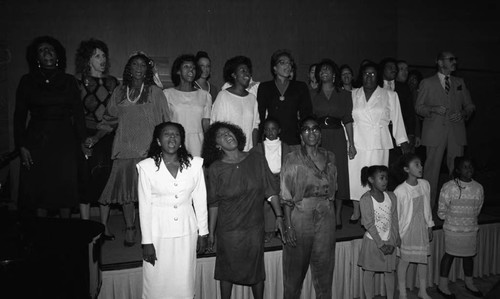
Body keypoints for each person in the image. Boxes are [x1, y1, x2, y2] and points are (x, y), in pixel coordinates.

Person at [90, 52, 170, 246]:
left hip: (148, 151)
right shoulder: (119, 92)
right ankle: (130, 228)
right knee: (128, 195)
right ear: (129, 69)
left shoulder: (156, 93)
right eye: (135, 65)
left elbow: (165, 122)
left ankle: (150, 231)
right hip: (124, 149)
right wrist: (95, 137)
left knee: (150, 195)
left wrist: (165, 148)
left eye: (143, 65)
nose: (139, 68)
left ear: (148, 69)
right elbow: (108, 120)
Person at [203, 122, 285, 299]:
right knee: (227, 270)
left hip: (254, 227)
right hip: (228, 229)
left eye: (229, 132)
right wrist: (211, 233)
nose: (227, 135)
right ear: (216, 144)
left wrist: (279, 215)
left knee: (256, 269)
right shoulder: (216, 168)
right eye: (221, 135)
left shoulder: (256, 158)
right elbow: (214, 203)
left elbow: (271, 189)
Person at [14, 36, 86, 218]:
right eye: (42, 50)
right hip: (37, 140)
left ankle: (65, 235)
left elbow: (78, 114)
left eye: (51, 49)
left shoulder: (69, 81)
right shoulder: (27, 81)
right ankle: (41, 236)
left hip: (64, 140)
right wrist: (21, 145)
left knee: (65, 189)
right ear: (35, 58)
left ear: (58, 56)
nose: (47, 53)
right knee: (39, 191)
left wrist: (83, 142)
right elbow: (20, 115)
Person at [137, 122, 208, 299]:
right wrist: (146, 241)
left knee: (184, 281)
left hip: (187, 231)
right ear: (158, 141)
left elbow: (200, 200)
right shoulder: (146, 167)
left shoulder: (195, 165)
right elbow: (144, 206)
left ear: (181, 141)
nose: (172, 138)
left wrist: (203, 233)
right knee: (156, 283)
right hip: (158, 234)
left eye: (176, 134)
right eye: (167, 134)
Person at [280, 116, 338, 299]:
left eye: (315, 129)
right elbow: (285, 195)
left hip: (326, 215)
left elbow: (333, 192)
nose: (311, 132)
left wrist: (333, 219)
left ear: (320, 134)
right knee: (294, 271)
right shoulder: (292, 158)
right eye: (306, 129)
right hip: (300, 214)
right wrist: (288, 226)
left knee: (325, 269)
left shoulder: (330, 156)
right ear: (301, 135)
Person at [348, 62, 409, 223]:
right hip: (357, 141)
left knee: (376, 177)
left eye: (373, 74)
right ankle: (357, 210)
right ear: (361, 76)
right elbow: (346, 120)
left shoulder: (390, 95)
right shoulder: (352, 94)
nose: (369, 77)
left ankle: (375, 209)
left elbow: (397, 120)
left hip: (378, 141)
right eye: (366, 74)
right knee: (356, 178)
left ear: (378, 76)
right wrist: (348, 143)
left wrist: (402, 141)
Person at [415, 51, 475, 205]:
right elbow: (418, 107)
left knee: (457, 169)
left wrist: (463, 113)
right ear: (440, 63)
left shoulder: (459, 82)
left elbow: (470, 106)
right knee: (431, 171)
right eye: (450, 59)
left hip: (456, 132)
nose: (454, 62)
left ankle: (456, 203)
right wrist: (433, 108)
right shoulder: (427, 83)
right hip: (434, 132)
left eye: (455, 59)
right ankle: (428, 206)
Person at [75, 38, 119, 227]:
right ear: (87, 59)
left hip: (107, 134)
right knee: (84, 179)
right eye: (96, 56)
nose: (102, 59)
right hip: (84, 134)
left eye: (103, 55)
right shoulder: (77, 82)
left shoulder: (112, 82)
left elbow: (116, 113)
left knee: (105, 179)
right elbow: (74, 114)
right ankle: (85, 225)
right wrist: (82, 140)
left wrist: (101, 133)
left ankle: (104, 226)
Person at [311, 59, 356, 229]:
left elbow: (348, 120)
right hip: (318, 138)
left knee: (339, 175)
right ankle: (321, 212)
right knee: (318, 174)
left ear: (334, 74)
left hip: (337, 135)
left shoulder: (344, 95)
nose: (324, 72)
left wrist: (351, 144)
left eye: (328, 70)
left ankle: (337, 214)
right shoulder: (312, 94)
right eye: (321, 70)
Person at [437, 157, 484, 298]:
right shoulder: (449, 186)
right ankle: (442, 285)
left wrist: (466, 220)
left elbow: (478, 209)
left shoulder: (478, 187)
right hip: (453, 229)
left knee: (469, 256)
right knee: (449, 255)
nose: (469, 169)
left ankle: (469, 283)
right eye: (465, 167)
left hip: (470, 229)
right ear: (457, 170)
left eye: (471, 166)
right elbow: (441, 210)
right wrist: (454, 220)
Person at [394, 154, 434, 299]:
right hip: (408, 230)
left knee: (423, 259)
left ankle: (422, 290)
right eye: (416, 164)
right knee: (404, 261)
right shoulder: (400, 191)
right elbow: (397, 216)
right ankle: (402, 292)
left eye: (421, 164)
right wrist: (397, 234)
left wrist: (429, 225)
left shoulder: (425, 184)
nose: (421, 167)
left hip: (421, 228)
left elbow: (427, 207)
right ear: (406, 169)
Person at [358, 165, 400, 299]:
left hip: (389, 240)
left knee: (390, 272)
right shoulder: (366, 199)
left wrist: (394, 240)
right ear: (371, 179)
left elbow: (394, 219)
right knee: (369, 271)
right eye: (381, 178)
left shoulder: (391, 196)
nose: (385, 181)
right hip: (373, 242)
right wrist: (381, 244)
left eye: (386, 178)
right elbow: (368, 224)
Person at [257, 49, 312, 145]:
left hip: (294, 138)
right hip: (271, 138)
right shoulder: (265, 87)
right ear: (274, 67)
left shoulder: (300, 87)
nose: (287, 66)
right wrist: (259, 140)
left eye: (289, 63)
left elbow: (306, 115)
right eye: (282, 63)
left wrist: (305, 137)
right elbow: (260, 116)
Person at [250, 117, 293, 242]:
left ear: (279, 130)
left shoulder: (285, 147)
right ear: (263, 131)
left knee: (283, 203)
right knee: (268, 206)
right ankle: (269, 230)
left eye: (273, 129)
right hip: (266, 178)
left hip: (282, 178)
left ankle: (282, 228)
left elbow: (290, 162)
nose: (270, 132)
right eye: (267, 129)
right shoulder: (259, 147)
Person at [164, 54, 211, 157]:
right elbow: (164, 122)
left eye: (193, 68)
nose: (191, 70)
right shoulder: (167, 94)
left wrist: (209, 147)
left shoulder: (205, 95)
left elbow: (206, 124)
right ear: (178, 71)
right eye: (186, 67)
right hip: (175, 141)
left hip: (198, 144)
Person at [211, 56, 259, 151]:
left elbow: (255, 128)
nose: (247, 74)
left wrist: (254, 151)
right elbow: (217, 127)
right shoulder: (223, 96)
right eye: (243, 71)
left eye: (248, 71)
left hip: (247, 153)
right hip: (228, 153)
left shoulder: (252, 98)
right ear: (234, 75)